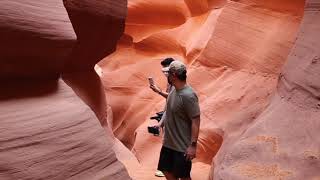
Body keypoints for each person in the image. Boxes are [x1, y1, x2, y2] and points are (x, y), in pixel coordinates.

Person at [154, 60, 201, 180]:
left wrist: (193, 146)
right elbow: (170, 104)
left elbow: (196, 120)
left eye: (168, 73)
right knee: (166, 171)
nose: (167, 76)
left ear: (174, 75)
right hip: (169, 143)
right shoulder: (174, 90)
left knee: (184, 177)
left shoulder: (188, 95)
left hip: (182, 147)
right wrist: (160, 124)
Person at [149, 57, 174, 177]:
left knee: (170, 143)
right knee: (167, 142)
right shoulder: (170, 82)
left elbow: (173, 98)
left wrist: (158, 91)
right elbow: (169, 100)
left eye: (166, 71)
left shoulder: (176, 82)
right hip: (168, 115)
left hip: (175, 119)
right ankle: (167, 169)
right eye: (163, 71)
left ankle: (168, 169)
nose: (164, 73)